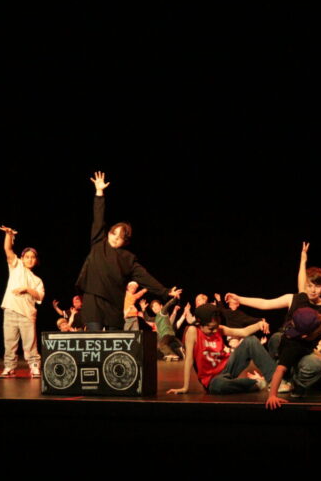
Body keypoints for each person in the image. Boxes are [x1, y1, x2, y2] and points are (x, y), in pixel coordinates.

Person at [228, 243, 321, 405]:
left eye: (317, 287)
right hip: (289, 344)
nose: (313, 290)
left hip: (305, 351)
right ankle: (285, 377)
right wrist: (239, 299)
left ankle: (319, 382)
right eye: (310, 286)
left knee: (318, 365)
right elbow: (265, 304)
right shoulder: (297, 299)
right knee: (276, 338)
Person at [75, 171, 171, 330]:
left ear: (125, 241)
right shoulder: (99, 243)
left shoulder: (128, 258)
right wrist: (99, 192)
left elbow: (144, 276)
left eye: (119, 237)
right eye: (113, 233)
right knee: (94, 338)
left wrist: (166, 291)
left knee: (113, 341)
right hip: (93, 300)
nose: (114, 237)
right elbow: (98, 218)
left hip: (114, 303)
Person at [167, 304, 276, 398]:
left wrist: (259, 324)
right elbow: (189, 359)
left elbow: (243, 332)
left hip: (228, 367)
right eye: (211, 328)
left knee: (250, 341)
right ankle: (257, 383)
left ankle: (275, 380)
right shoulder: (193, 332)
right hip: (213, 380)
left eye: (216, 327)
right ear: (200, 324)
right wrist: (185, 387)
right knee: (219, 386)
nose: (215, 330)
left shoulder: (219, 329)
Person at [0, 225, 45, 378]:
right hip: (11, 309)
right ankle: (9, 367)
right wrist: (8, 235)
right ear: (23, 258)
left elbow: (39, 296)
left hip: (27, 314)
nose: (30, 259)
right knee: (10, 342)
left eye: (33, 257)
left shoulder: (37, 280)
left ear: (36, 260)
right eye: (27, 257)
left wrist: (26, 289)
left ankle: (34, 366)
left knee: (30, 343)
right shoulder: (16, 266)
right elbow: (8, 249)